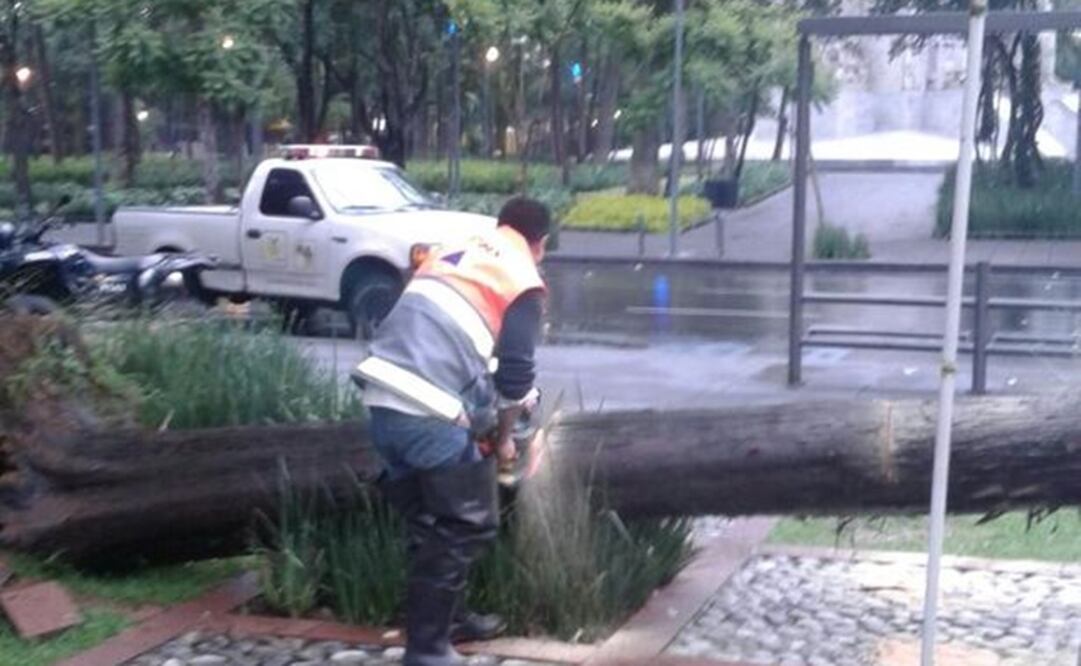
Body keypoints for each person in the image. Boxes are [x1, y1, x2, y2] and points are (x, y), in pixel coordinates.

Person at [352, 196, 550, 666]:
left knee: (428, 521)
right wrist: (505, 438)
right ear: (541, 244)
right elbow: (516, 379)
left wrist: (482, 420)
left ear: (501, 225)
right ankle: (426, 650)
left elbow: (447, 342)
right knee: (465, 524)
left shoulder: (453, 251)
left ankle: (450, 623)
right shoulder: (523, 277)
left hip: (380, 400)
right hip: (427, 409)